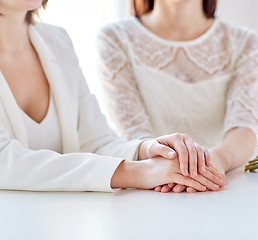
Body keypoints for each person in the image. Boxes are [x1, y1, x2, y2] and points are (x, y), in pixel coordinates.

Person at [0, 0, 224, 192]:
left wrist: (146, 151)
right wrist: (138, 172)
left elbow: (95, 141)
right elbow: (4, 160)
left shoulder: (57, 41)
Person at [97, 0, 258, 193]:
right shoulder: (114, 38)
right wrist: (164, 166)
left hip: (225, 188)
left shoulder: (246, 43)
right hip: (148, 192)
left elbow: (244, 130)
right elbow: (133, 133)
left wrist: (211, 163)